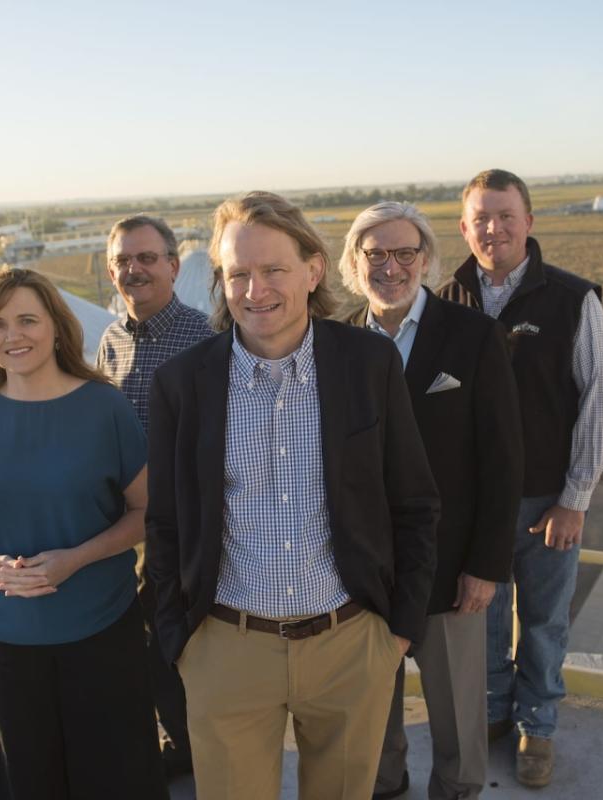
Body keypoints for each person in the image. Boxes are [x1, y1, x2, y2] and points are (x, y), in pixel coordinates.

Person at [146, 191, 440, 800]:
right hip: (225, 648)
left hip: (350, 645)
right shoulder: (183, 384)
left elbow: (413, 502)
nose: (256, 291)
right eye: (238, 274)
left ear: (312, 270)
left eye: (273, 270)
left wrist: (396, 634)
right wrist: (182, 643)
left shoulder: (369, 364)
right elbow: (167, 524)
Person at [0, 266, 166, 799]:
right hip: (1, 637)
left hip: (100, 630)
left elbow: (145, 510)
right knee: (24, 783)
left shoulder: (103, 407)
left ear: (57, 328)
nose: (12, 336)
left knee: (114, 781)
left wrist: (76, 558)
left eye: (26, 320)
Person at [440, 169, 603, 788]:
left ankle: (537, 727)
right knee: (480, 614)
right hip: (474, 506)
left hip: (547, 502)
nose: (494, 228)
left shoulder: (572, 300)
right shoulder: (445, 300)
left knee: (544, 620)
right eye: (481, 218)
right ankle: (492, 712)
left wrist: (575, 500)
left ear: (530, 222)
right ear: (464, 228)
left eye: (506, 215)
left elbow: (600, 400)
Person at [340, 201, 523, 800]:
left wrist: (486, 566)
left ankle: (457, 792)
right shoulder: (334, 343)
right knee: (371, 711)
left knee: (458, 719)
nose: (390, 267)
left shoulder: (473, 337)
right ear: (354, 262)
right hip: (363, 571)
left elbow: (503, 461)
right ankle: (384, 786)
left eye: (404, 253)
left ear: (426, 259)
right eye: (375, 254)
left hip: (451, 569)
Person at [95, 215, 213, 778]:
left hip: (186, 525)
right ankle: (183, 747)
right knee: (147, 645)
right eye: (122, 261)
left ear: (172, 264)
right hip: (128, 527)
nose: (133, 270)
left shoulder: (204, 337)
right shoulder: (111, 340)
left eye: (146, 258)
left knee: (188, 645)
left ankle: (208, 752)